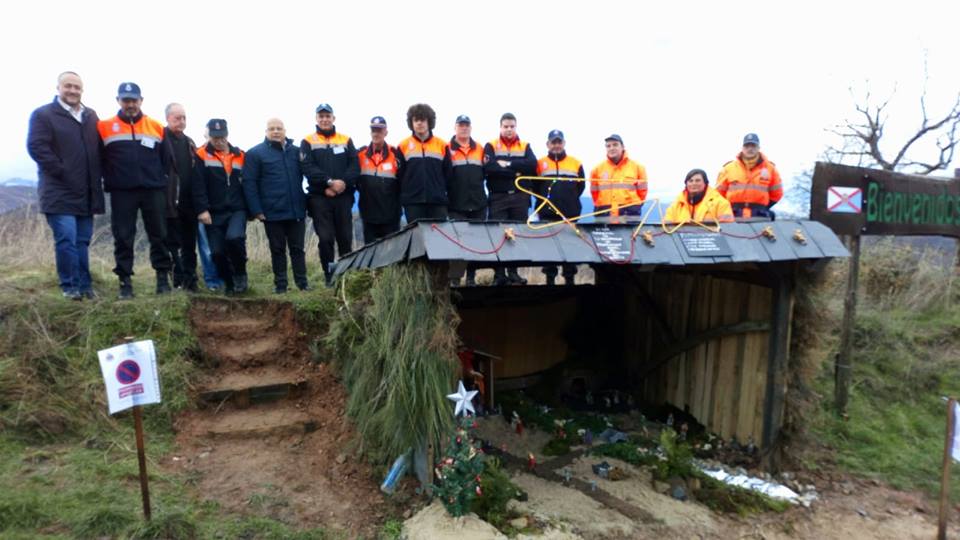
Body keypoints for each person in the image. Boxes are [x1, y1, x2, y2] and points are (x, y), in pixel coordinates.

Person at [26, 71, 104, 300]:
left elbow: (98, 150)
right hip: (59, 191)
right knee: (67, 240)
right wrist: (62, 171)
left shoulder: (91, 116)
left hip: (87, 192)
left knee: (82, 241)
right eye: (68, 86)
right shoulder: (43, 114)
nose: (72, 90)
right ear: (58, 88)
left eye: (77, 87)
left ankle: (85, 286)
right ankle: (69, 287)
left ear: (82, 90)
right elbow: (37, 147)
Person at [97, 82, 173, 299]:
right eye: (125, 100)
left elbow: (166, 159)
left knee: (159, 235)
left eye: (134, 100)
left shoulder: (156, 127)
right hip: (122, 192)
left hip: (153, 190)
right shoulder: (104, 127)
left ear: (141, 100)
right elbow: (99, 159)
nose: (130, 104)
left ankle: (162, 279)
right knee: (123, 236)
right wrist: (111, 179)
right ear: (118, 101)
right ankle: (125, 283)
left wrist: (158, 179)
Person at [244, 118, 309, 293]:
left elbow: (309, 174)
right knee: (277, 250)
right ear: (266, 131)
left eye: (279, 128)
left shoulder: (297, 152)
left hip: (296, 210)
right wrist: (256, 210)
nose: (275, 131)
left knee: (298, 249)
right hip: (271, 212)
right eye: (271, 128)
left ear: (285, 131)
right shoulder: (255, 154)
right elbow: (249, 184)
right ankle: (280, 285)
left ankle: (303, 284)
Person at [299, 103, 359, 286]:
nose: (324, 119)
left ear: (334, 118)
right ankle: (329, 276)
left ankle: (347, 277)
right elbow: (307, 168)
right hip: (319, 198)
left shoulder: (346, 139)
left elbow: (354, 166)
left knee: (345, 239)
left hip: (343, 197)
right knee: (325, 239)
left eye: (328, 116)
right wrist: (328, 182)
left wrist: (342, 184)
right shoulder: (308, 141)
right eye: (321, 116)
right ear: (316, 119)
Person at [192, 119, 248, 294]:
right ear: (209, 136)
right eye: (215, 137)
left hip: (237, 210)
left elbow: (249, 183)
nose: (219, 140)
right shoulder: (201, 155)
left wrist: (253, 209)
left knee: (234, 238)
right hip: (213, 212)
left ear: (227, 134)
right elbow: (197, 185)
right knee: (216, 252)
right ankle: (229, 283)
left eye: (222, 136)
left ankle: (240, 274)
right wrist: (202, 209)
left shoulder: (240, 155)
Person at [484, 112, 537, 285]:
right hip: (498, 197)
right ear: (500, 127)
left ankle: (513, 272)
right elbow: (490, 168)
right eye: (505, 126)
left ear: (516, 127)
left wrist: (507, 164)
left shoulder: (525, 146)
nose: (508, 129)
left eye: (512, 126)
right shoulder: (491, 145)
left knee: (517, 235)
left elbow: (531, 165)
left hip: (520, 198)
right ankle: (499, 274)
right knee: (498, 235)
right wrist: (517, 171)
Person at [536, 129, 585, 285]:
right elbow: (535, 186)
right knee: (549, 247)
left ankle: (569, 278)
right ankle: (549, 278)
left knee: (570, 247)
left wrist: (569, 200)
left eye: (559, 142)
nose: (556, 145)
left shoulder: (576, 163)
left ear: (564, 143)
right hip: (547, 213)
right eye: (553, 142)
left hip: (570, 213)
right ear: (548, 144)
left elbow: (581, 187)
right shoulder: (540, 163)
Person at [162, 103, 199, 291]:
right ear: (168, 118)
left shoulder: (190, 143)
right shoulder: (160, 139)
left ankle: (191, 280)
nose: (181, 121)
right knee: (172, 244)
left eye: (184, 117)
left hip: (189, 203)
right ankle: (177, 279)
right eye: (177, 118)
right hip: (168, 202)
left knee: (189, 245)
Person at [396, 103, 451, 222]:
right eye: (416, 120)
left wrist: (440, 191)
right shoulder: (403, 146)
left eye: (422, 120)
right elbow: (400, 175)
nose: (419, 123)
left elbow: (448, 174)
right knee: (417, 239)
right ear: (411, 123)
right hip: (413, 203)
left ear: (429, 122)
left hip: (437, 202)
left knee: (438, 238)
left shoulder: (442, 145)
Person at [447, 114, 485, 286]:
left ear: (471, 127)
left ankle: (471, 277)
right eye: (460, 125)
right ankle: (454, 279)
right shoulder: (446, 149)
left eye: (466, 125)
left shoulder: (480, 149)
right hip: (456, 204)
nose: (464, 128)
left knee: (475, 243)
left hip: (478, 203)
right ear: (455, 127)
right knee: (457, 243)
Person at [356, 116, 402, 243]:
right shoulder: (360, 154)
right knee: (370, 253)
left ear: (386, 132)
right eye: (373, 130)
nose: (376, 133)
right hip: (368, 213)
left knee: (391, 254)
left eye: (379, 130)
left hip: (391, 214)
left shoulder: (396, 154)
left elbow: (403, 182)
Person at [715, 133, 783, 219]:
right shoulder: (728, 168)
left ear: (758, 148)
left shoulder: (770, 169)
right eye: (747, 146)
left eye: (753, 146)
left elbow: (777, 193)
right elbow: (718, 194)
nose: (750, 149)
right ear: (742, 148)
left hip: (760, 215)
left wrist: (764, 207)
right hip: (732, 214)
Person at [589, 134, 648, 220]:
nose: (611, 148)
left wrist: (634, 205)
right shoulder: (597, 170)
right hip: (603, 215)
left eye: (615, 144)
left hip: (630, 216)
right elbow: (594, 193)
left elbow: (643, 192)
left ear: (623, 147)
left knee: (633, 234)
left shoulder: (638, 168)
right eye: (608, 146)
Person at [663, 169, 734, 224]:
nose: (694, 183)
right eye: (690, 181)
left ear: (705, 183)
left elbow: (728, 230)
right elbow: (667, 229)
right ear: (686, 184)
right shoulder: (675, 206)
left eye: (697, 180)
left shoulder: (721, 203)